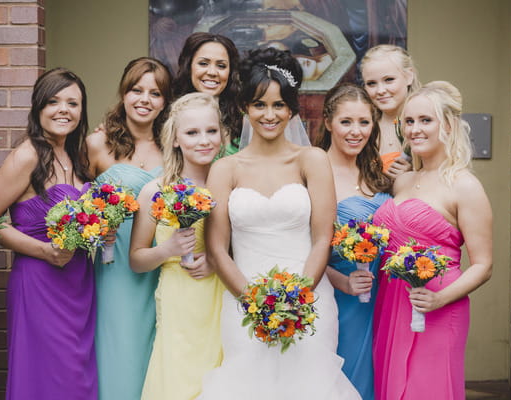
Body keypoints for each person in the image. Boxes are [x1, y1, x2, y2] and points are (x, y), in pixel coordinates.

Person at [197, 47, 362, 400]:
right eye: (259, 104)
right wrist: (255, 303)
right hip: (243, 301)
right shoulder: (225, 168)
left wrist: (297, 298)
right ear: (245, 107)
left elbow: (322, 238)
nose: (269, 115)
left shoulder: (312, 160)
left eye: (278, 105)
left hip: (309, 299)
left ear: (291, 109)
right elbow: (216, 247)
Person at [372, 81, 493, 399]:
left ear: (449, 125)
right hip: (392, 303)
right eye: (409, 122)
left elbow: (483, 265)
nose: (415, 130)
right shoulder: (402, 180)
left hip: (439, 306)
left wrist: (441, 299)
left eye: (426, 120)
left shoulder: (464, 185)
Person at [0, 68, 97, 399]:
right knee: (48, 376)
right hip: (39, 282)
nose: (64, 110)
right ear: (38, 107)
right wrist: (43, 251)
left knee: (77, 375)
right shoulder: (27, 155)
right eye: (54, 101)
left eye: (73, 103)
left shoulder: (77, 156)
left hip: (79, 284)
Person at [85, 57, 172, 400]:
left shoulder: (173, 146)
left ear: (165, 102)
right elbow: (73, 205)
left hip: (163, 263)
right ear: (123, 93)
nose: (144, 99)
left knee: (158, 354)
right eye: (137, 90)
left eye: (155, 93)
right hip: (114, 264)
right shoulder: (97, 144)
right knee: (119, 349)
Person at [129, 92, 225, 400]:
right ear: (175, 139)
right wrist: (167, 249)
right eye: (192, 133)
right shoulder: (154, 191)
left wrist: (216, 258)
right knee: (178, 376)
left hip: (221, 295)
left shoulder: (230, 186)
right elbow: (136, 259)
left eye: (211, 131)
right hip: (178, 298)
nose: (204, 140)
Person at [316, 83, 392, 400]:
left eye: (364, 122)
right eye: (346, 122)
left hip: (385, 295)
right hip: (340, 296)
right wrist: (343, 281)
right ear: (328, 122)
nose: (355, 131)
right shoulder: (315, 171)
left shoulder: (379, 173)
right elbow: (303, 247)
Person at [173, 32, 242, 155]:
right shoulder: (171, 116)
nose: (212, 72)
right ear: (189, 66)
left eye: (221, 66)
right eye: (203, 63)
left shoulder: (243, 118)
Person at [360, 44, 421, 179]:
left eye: (389, 80)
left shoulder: (427, 126)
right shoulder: (364, 130)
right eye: (371, 83)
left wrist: (413, 175)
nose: (380, 90)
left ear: (409, 76)